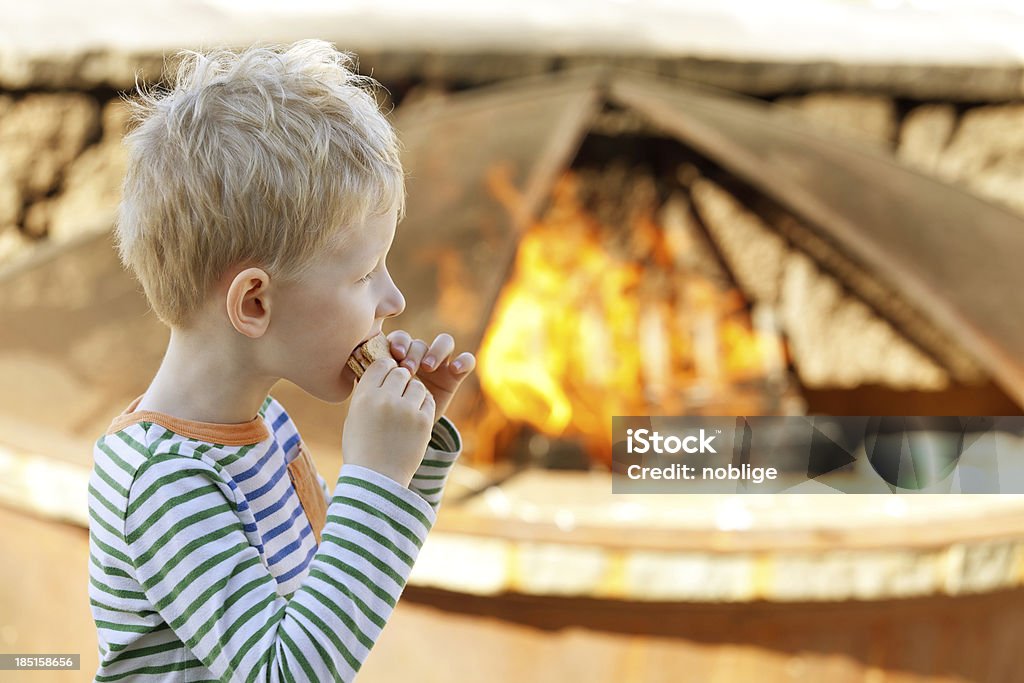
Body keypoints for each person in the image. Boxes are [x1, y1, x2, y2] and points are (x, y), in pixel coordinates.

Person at [87, 39, 476, 682]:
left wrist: (413, 454)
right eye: (364, 276)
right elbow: (288, 672)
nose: (395, 300)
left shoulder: (265, 425)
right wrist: (373, 476)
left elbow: (342, 593)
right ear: (256, 303)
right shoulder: (161, 483)